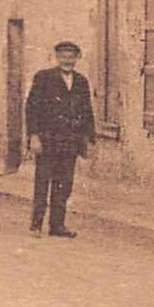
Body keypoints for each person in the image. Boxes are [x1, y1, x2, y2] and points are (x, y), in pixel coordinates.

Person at [24, 40, 95, 238]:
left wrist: (89, 138)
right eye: (63, 56)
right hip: (48, 140)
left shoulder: (81, 82)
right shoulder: (44, 78)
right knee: (42, 182)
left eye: (71, 57)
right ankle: (36, 225)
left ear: (76, 58)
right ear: (57, 57)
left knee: (64, 184)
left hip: (70, 141)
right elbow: (32, 109)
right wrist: (34, 136)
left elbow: (87, 111)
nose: (67, 60)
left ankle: (57, 226)